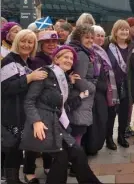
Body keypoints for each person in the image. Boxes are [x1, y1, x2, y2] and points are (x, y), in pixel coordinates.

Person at [20, 45, 102, 184]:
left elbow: (62, 102)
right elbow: (29, 101)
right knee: (65, 156)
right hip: (43, 124)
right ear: (56, 59)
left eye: (71, 58)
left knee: (74, 153)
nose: (69, 60)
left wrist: (72, 87)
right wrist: (36, 121)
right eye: (65, 57)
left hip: (56, 124)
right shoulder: (45, 73)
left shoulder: (63, 78)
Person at [1, 29, 47, 184]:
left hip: (21, 111)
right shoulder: (9, 60)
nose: (26, 45)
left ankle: (13, 179)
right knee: (13, 149)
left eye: (30, 42)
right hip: (11, 112)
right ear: (16, 42)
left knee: (17, 148)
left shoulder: (25, 61)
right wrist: (30, 77)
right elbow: (6, 88)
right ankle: (12, 180)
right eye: (23, 41)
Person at [23, 30, 60, 183]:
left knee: (47, 137)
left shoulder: (54, 58)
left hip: (50, 104)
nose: (51, 44)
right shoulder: (38, 61)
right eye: (47, 42)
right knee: (34, 139)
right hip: (38, 104)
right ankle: (29, 171)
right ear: (41, 44)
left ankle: (47, 165)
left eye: (54, 42)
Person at [82, 25, 119, 155]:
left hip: (105, 92)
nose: (100, 38)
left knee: (102, 120)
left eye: (102, 35)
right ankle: (91, 147)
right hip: (94, 93)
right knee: (95, 122)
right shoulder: (89, 51)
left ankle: (96, 145)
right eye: (97, 35)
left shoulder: (102, 50)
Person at [103, 20, 132, 150]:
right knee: (111, 113)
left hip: (127, 85)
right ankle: (109, 138)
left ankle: (121, 136)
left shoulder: (132, 46)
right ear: (115, 31)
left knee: (124, 113)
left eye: (126, 29)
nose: (125, 32)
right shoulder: (108, 46)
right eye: (122, 29)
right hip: (112, 85)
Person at [68, 25, 96, 146]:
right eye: (86, 37)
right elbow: (79, 80)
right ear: (79, 38)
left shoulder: (78, 50)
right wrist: (93, 87)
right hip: (81, 99)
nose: (90, 40)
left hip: (77, 97)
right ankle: (75, 161)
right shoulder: (82, 55)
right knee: (77, 133)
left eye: (91, 37)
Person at [125, 17, 134, 138]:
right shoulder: (126, 42)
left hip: (132, 78)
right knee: (127, 104)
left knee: (130, 104)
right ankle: (125, 127)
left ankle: (127, 125)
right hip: (126, 78)